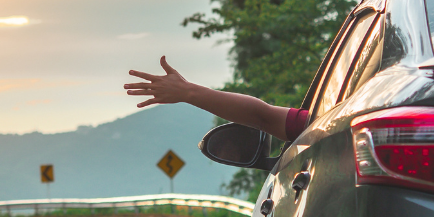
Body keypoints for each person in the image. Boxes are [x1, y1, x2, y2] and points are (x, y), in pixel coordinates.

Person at [125, 56, 309, 143]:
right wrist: (186, 91)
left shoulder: (325, 126)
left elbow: (264, 118)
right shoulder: (329, 124)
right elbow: (263, 117)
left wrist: (187, 92)